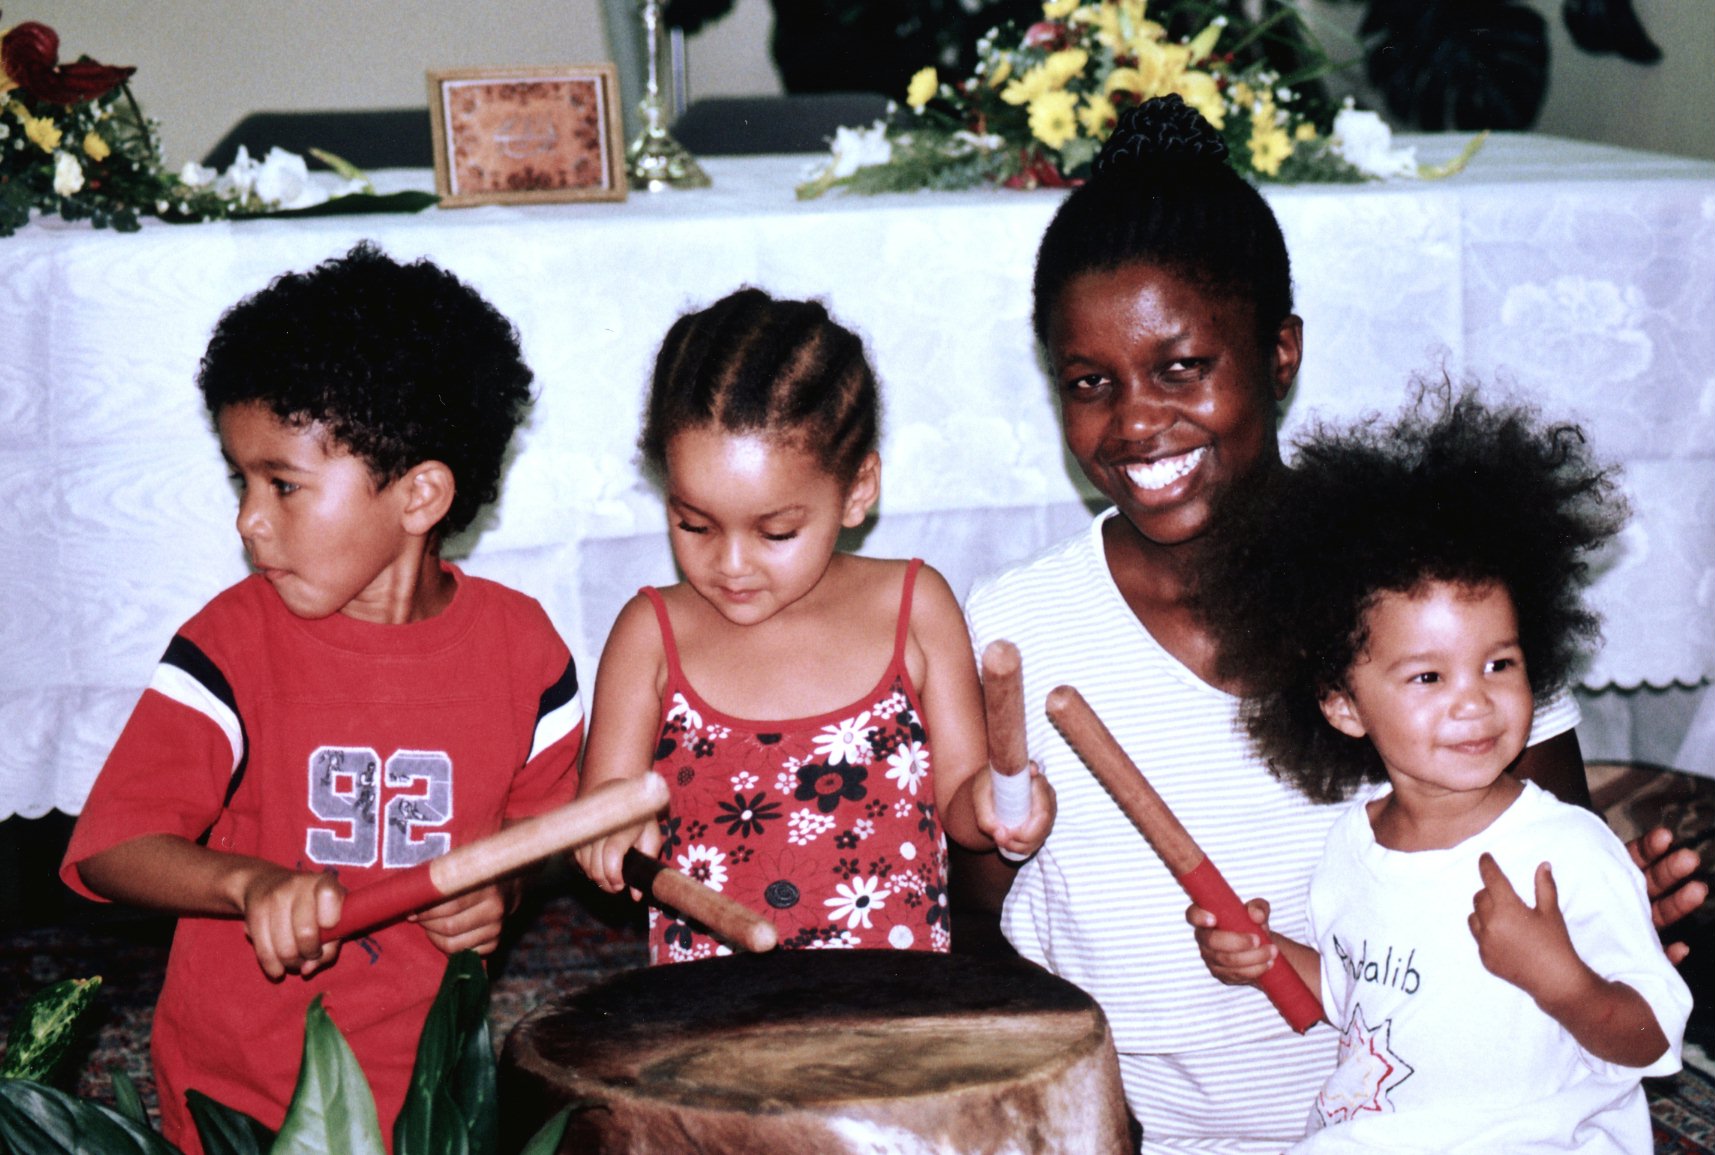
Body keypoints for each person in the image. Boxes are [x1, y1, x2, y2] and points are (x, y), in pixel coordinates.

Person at [960, 95, 1704, 1152]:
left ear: (1278, 353)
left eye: (1181, 368)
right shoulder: (1019, 624)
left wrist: (1596, 914)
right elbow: (984, 911)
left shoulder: (1423, 581)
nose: (1132, 421)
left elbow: (1535, 831)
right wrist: (998, 830)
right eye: (1089, 384)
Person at [59, 244, 585, 1153]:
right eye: (242, 480)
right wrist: (247, 881)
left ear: (419, 493)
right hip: (242, 1089)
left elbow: (544, 829)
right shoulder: (232, 644)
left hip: (425, 1093)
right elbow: (111, 847)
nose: (247, 519)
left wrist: (498, 885)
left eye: (283, 484)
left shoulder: (526, 652)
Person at [1188, 386, 1691, 1152]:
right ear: (1343, 705)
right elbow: (1366, 997)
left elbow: (1650, 1035)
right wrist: (1268, 959)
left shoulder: (1565, 849)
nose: (1474, 703)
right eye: (1428, 677)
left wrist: (1561, 980)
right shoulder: (1350, 844)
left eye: (1498, 663)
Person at [575, 287, 1053, 961]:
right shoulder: (651, 635)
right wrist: (611, 830)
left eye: (776, 531)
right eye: (693, 523)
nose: (730, 562)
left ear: (857, 490)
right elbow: (604, 804)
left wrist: (1000, 801)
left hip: (891, 1013)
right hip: (706, 1020)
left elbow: (960, 800)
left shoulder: (913, 607)